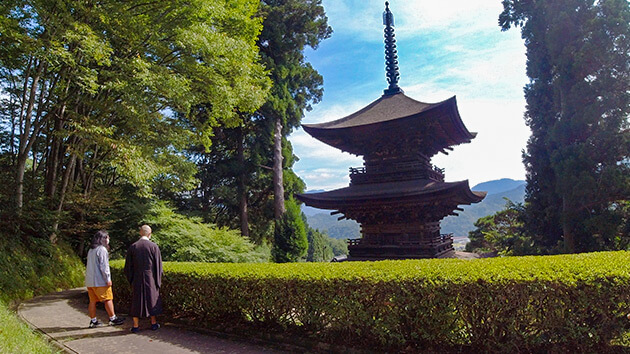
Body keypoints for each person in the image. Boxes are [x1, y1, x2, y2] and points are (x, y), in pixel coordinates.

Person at [124, 224, 163, 333]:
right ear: (150, 234)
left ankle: (136, 326)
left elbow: (128, 267)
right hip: (150, 277)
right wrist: (157, 281)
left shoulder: (133, 247)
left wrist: (131, 279)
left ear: (140, 233)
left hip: (137, 277)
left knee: (136, 300)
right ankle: (153, 323)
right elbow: (158, 266)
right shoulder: (153, 247)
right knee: (152, 299)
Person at [85, 230, 125, 328]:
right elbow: (104, 266)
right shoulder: (102, 250)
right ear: (103, 239)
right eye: (107, 237)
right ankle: (112, 318)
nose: (108, 239)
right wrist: (107, 278)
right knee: (108, 299)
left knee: (92, 301)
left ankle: (93, 320)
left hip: (90, 281)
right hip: (100, 280)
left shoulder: (91, 250)